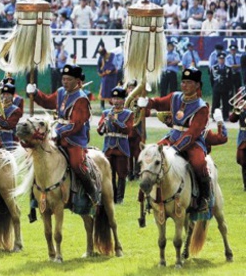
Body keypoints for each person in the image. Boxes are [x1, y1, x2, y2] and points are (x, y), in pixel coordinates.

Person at [137, 67, 211, 212]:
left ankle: (204, 197)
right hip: (173, 136)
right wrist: (146, 102)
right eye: (183, 82)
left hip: (193, 142)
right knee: (151, 155)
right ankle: (149, 195)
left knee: (199, 162)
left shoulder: (202, 107)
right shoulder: (175, 97)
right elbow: (157, 103)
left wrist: (174, 149)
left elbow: (192, 133)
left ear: (197, 85)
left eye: (189, 82)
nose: (184, 85)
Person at [26, 64, 98, 203]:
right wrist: (35, 93)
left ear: (77, 81)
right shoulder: (60, 92)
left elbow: (75, 125)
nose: (65, 82)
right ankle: (35, 196)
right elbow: (47, 101)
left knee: (77, 164)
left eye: (68, 79)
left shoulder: (81, 99)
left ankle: (92, 191)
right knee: (37, 156)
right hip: (56, 134)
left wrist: (57, 133)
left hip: (74, 139)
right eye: (63, 79)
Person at [97, 86, 133, 204]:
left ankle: (120, 198)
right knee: (109, 173)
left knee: (121, 174)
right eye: (114, 98)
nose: (116, 101)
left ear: (123, 100)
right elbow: (100, 131)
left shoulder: (128, 114)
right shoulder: (106, 113)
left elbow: (127, 129)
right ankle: (112, 196)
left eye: (119, 98)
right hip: (108, 147)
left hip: (121, 147)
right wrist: (104, 123)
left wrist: (115, 121)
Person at [0, 82, 22, 151]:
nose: (5, 96)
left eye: (7, 94)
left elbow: (8, 125)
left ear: (12, 96)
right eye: (3, 94)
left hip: (7, 139)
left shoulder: (16, 110)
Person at [229, 102, 246, 190]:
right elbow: (232, 119)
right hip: (243, 137)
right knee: (243, 161)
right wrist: (237, 110)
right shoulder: (242, 106)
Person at [211, 52, 232, 121]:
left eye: (223, 59)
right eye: (220, 59)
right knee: (216, 103)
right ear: (218, 59)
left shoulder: (228, 68)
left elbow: (230, 79)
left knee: (225, 102)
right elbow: (211, 79)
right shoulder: (214, 68)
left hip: (225, 88)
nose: (221, 60)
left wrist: (229, 88)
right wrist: (214, 87)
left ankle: (225, 116)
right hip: (217, 87)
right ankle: (214, 116)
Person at [97, 45, 117, 109]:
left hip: (112, 76)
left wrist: (111, 70)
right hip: (105, 77)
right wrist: (101, 72)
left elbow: (116, 65)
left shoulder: (112, 55)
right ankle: (102, 106)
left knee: (112, 90)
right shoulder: (101, 58)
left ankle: (113, 105)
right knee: (103, 90)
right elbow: (98, 67)